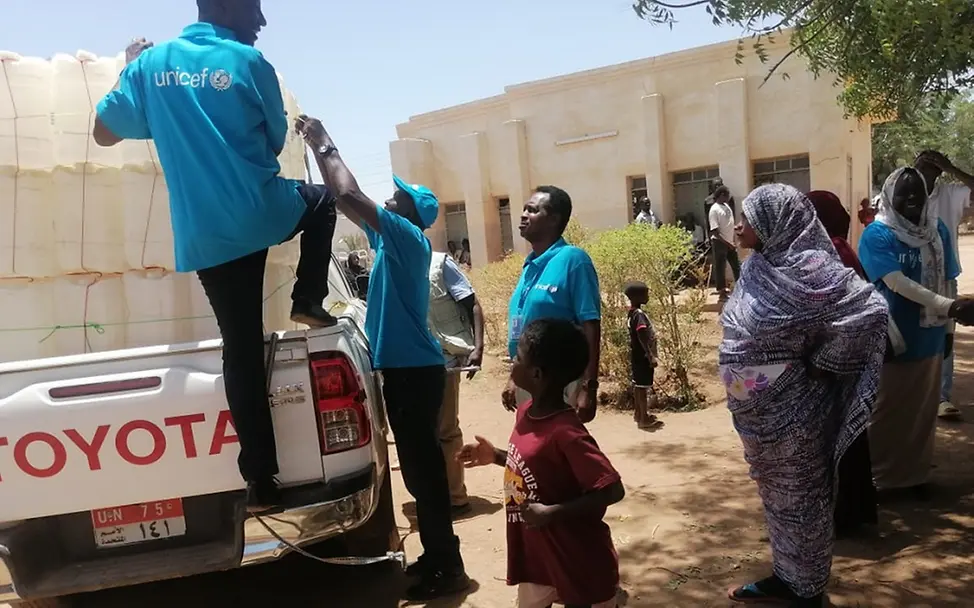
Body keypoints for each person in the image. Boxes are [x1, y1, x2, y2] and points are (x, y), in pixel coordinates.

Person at [92, 2, 338, 511]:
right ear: (226, 6)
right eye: (255, 10)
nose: (261, 23)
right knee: (324, 201)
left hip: (207, 237)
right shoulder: (250, 64)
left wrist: (129, 66)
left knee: (241, 350)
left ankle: (261, 483)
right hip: (260, 210)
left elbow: (105, 130)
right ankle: (308, 298)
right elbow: (272, 143)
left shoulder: (148, 67)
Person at [297, 115, 468, 600]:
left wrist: (323, 140)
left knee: (425, 475)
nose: (388, 200)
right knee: (417, 472)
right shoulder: (391, 243)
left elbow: (350, 197)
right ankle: (437, 556)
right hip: (407, 370)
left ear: (410, 214)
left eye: (397, 198)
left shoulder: (408, 238)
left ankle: (447, 566)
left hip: (415, 372)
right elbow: (346, 201)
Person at [721, 184, 889, 607]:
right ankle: (787, 575)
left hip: (794, 407)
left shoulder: (810, 266)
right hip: (758, 415)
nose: (740, 225)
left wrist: (826, 361)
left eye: (750, 217)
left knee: (803, 497)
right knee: (777, 497)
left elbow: (869, 311)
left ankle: (806, 587)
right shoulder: (758, 265)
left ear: (777, 221)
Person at [457, 318, 625, 608]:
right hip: (537, 555)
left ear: (536, 374)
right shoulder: (526, 413)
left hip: (576, 557)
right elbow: (536, 466)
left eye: (518, 356)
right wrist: (495, 456)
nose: (512, 360)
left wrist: (552, 512)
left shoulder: (566, 432)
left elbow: (612, 489)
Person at [858, 167, 974, 499]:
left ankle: (912, 476)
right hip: (894, 338)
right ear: (890, 197)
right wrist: (949, 307)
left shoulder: (937, 230)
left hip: (932, 336)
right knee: (887, 411)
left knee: (922, 413)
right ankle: (880, 479)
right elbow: (896, 282)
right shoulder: (877, 235)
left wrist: (949, 331)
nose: (911, 199)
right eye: (903, 194)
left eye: (917, 193)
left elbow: (949, 277)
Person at [806, 190, 876, 537]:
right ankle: (857, 510)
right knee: (850, 435)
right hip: (847, 357)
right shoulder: (841, 247)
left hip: (832, 360)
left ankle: (842, 516)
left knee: (832, 439)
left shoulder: (828, 251)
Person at [502, 186, 602, 423]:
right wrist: (513, 377)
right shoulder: (530, 266)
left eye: (533, 210)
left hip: (559, 383)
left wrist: (589, 387)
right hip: (528, 379)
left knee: (557, 451)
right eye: (524, 209)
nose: (523, 214)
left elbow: (591, 324)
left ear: (554, 219)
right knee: (531, 450)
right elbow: (521, 325)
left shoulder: (573, 260)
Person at [914, 150, 974, 419]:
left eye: (932, 167)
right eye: (921, 165)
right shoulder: (901, 193)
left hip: (944, 276)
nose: (925, 172)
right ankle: (914, 394)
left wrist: (952, 168)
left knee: (944, 335)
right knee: (911, 333)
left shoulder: (949, 194)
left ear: (939, 172)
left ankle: (941, 397)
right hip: (910, 274)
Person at [427, 250, 485, 517]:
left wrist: (478, 347)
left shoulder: (439, 264)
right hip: (410, 362)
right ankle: (436, 496)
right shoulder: (392, 259)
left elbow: (472, 303)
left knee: (446, 430)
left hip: (445, 360)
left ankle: (456, 498)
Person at [624, 282, 661, 430]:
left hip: (636, 355)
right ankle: (644, 418)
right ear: (637, 297)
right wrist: (650, 354)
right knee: (642, 387)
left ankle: (639, 413)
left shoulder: (632, 312)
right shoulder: (639, 315)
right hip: (642, 356)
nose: (648, 297)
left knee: (638, 385)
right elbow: (642, 334)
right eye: (645, 294)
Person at [708, 185, 740, 300]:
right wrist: (728, 243)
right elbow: (715, 232)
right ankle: (722, 293)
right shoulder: (714, 209)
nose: (728, 197)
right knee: (721, 268)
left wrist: (736, 230)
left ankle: (741, 288)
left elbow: (729, 223)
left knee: (737, 266)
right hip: (720, 243)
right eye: (727, 194)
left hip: (730, 242)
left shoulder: (726, 206)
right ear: (721, 195)